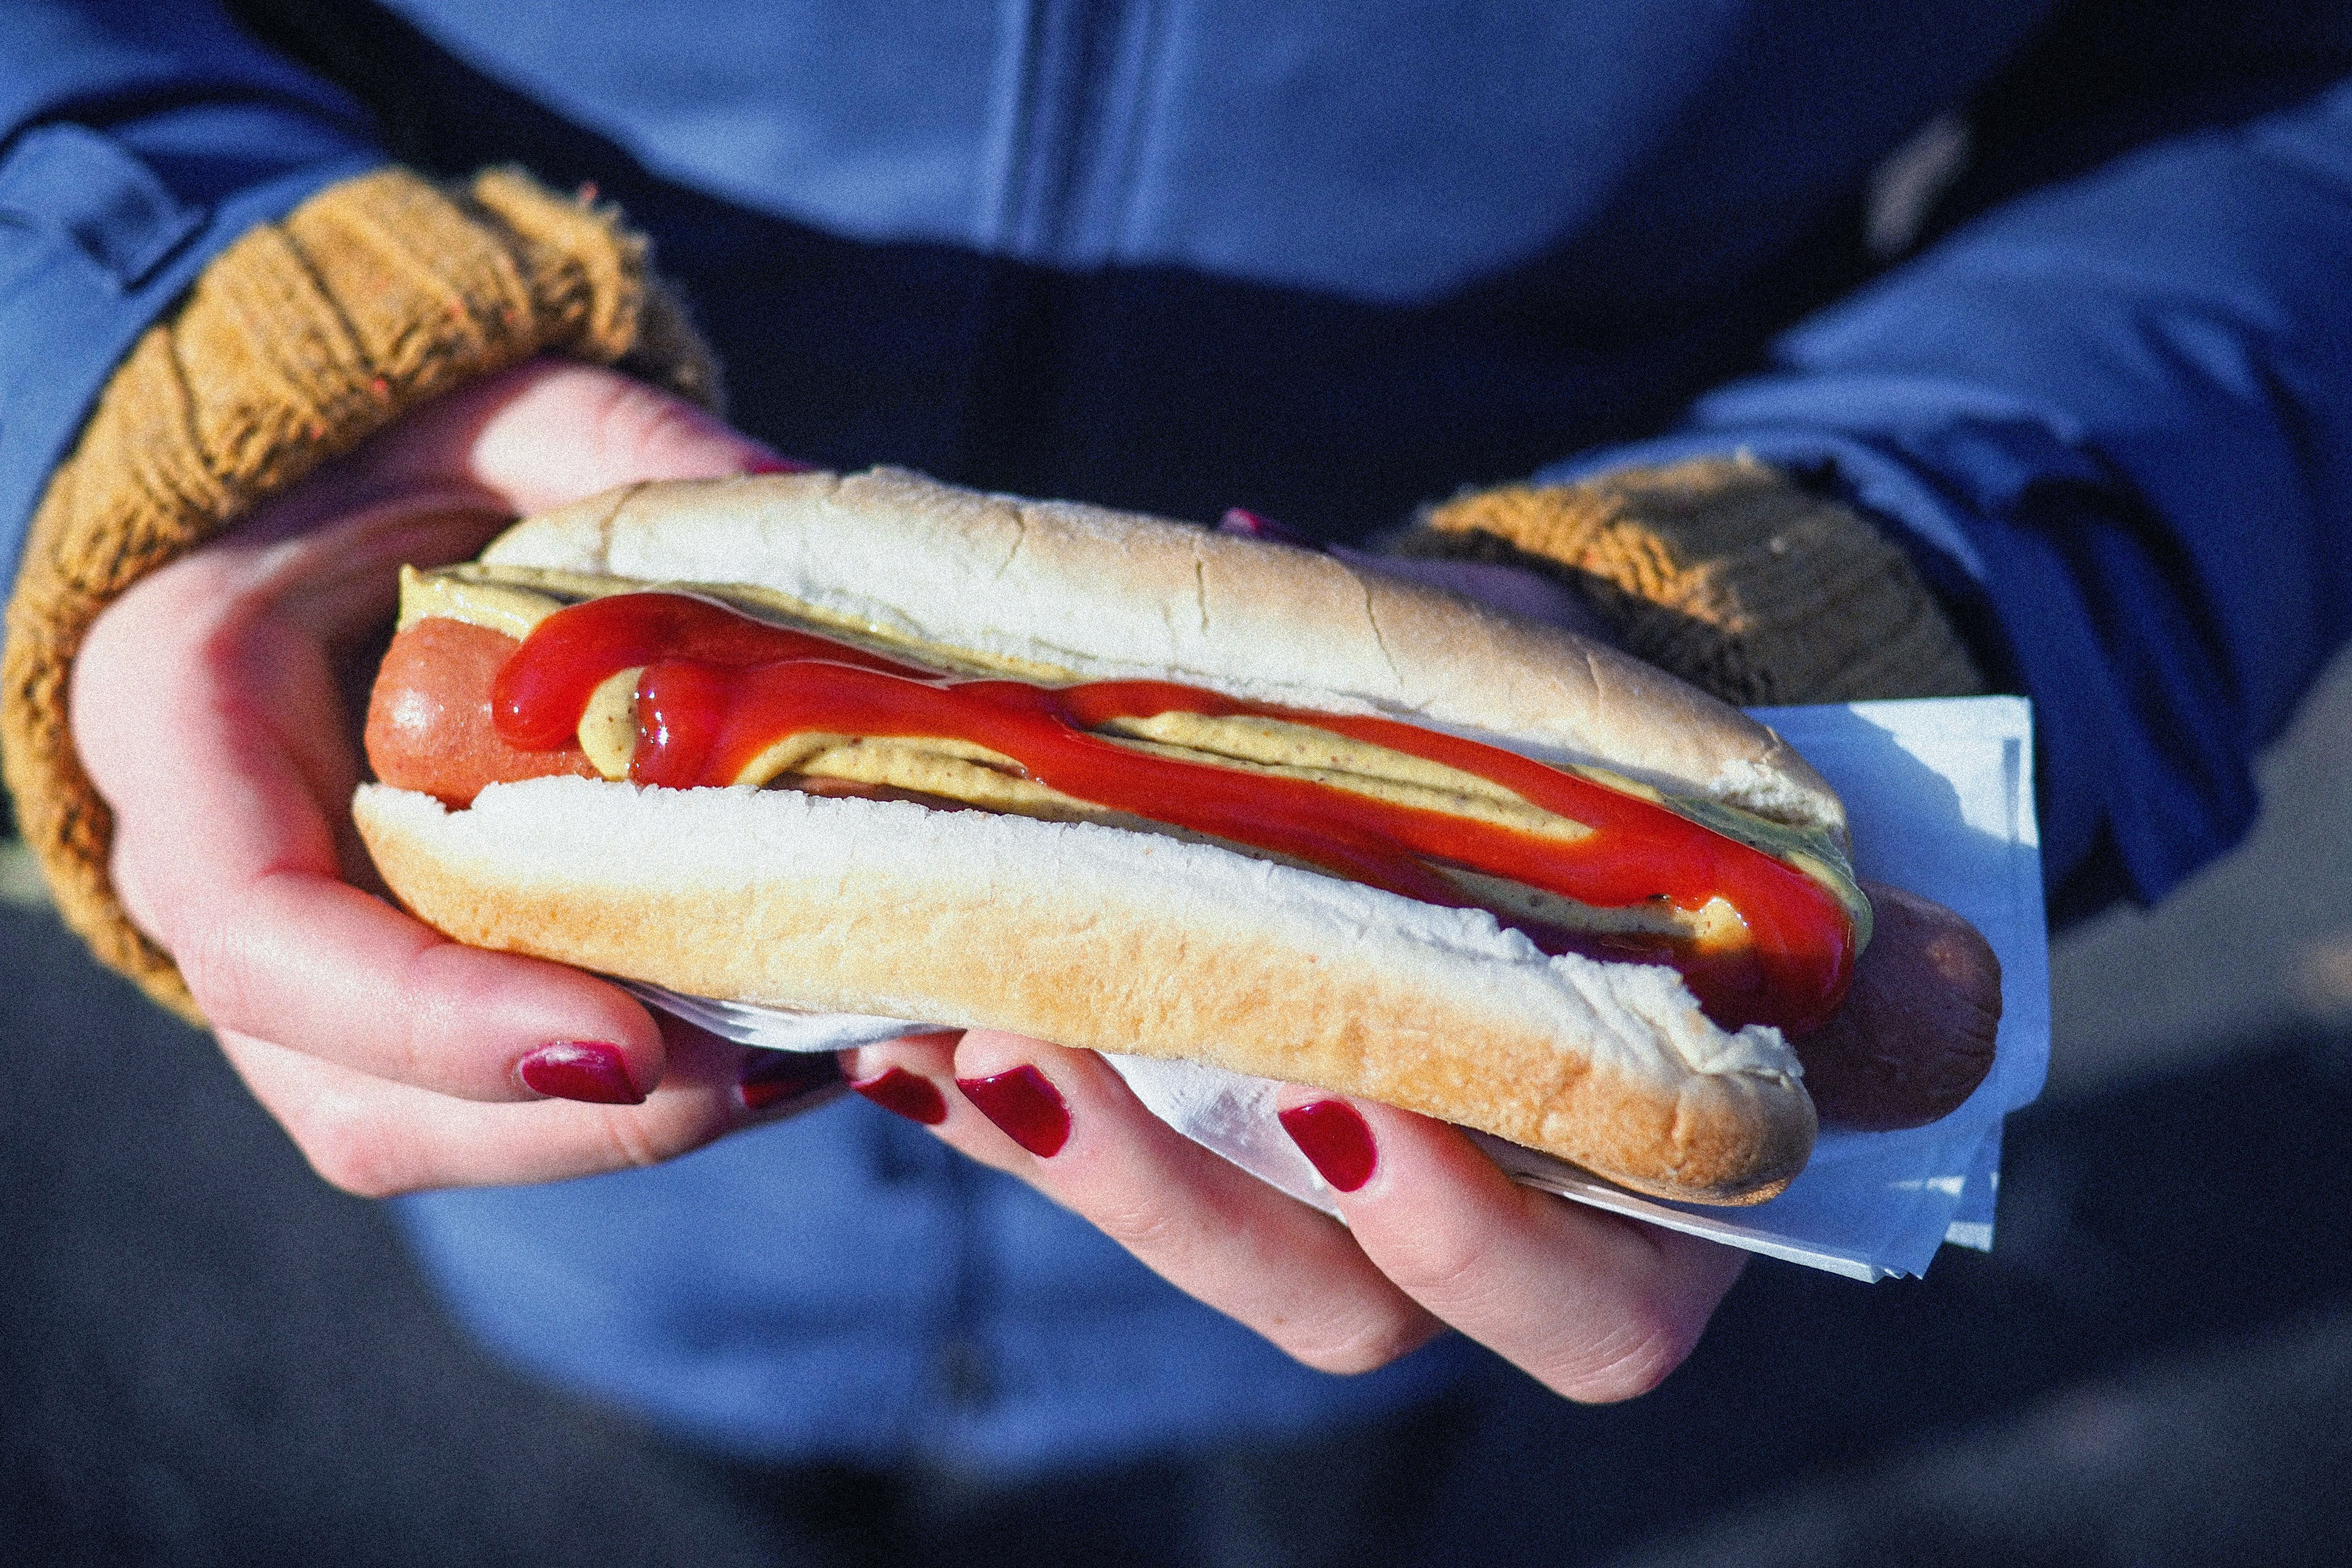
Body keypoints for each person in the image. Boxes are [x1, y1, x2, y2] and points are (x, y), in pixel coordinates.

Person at [4, 0, 2348, 1518]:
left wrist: (1878, 583)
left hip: (1415, 1224)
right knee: (732, 1483)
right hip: (613, 1159)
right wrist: (180, 352)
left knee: (1324, 1485)